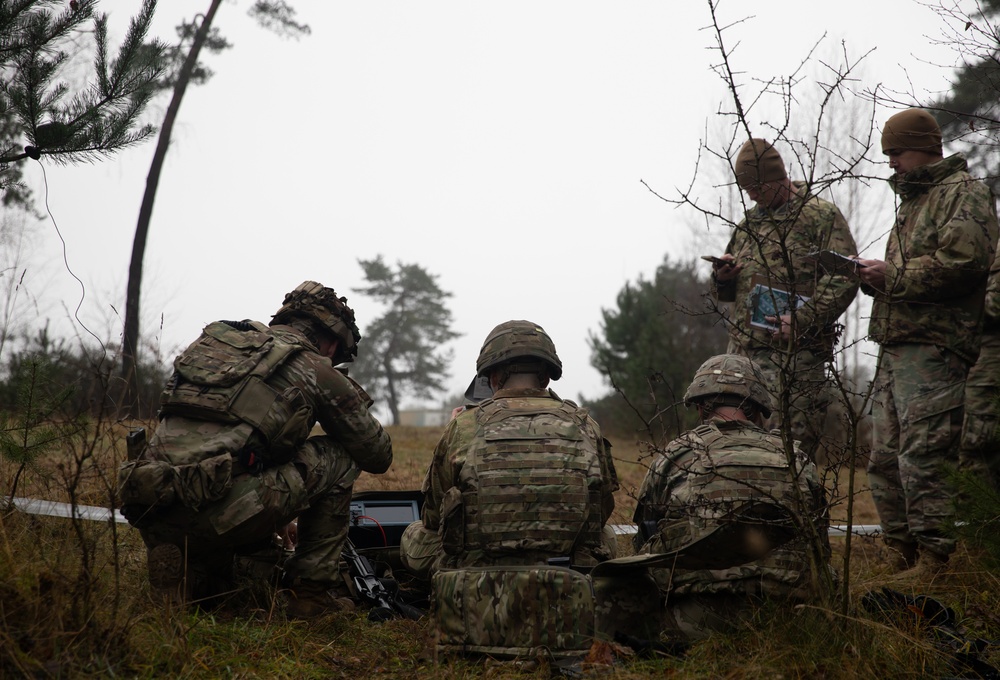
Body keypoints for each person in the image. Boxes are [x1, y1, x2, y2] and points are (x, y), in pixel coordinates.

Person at [118, 281, 393, 616]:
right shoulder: (314, 366)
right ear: (333, 344)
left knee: (221, 585)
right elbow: (377, 453)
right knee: (341, 454)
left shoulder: (214, 345)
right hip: (224, 511)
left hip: (150, 504)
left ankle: (193, 573)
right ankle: (310, 595)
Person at [399, 320, 619, 659]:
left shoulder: (464, 425)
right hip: (567, 570)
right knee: (608, 537)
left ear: (492, 377)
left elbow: (432, 517)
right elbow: (601, 510)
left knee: (414, 535)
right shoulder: (584, 425)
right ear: (546, 377)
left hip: (475, 571)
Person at [855, 108, 999, 573]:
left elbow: (964, 262)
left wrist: (891, 275)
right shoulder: (912, 202)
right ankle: (900, 553)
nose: (891, 161)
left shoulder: (965, 193)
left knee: (925, 454)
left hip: (935, 349)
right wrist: (875, 280)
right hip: (897, 346)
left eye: (897, 151)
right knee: (884, 458)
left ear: (925, 146)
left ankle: (933, 561)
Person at [631, 354, 830, 641]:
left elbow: (644, 544)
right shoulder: (796, 457)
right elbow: (819, 547)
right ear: (758, 408)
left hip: (696, 621)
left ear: (700, 406)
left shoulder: (675, 456)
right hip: (791, 621)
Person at [710, 138, 860, 464]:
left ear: (777, 178)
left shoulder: (818, 216)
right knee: (735, 454)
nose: (750, 195)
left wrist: (803, 319)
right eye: (745, 188)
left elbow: (846, 276)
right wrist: (723, 278)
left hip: (794, 361)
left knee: (789, 457)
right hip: (742, 361)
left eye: (756, 187)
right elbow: (731, 293)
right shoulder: (749, 225)